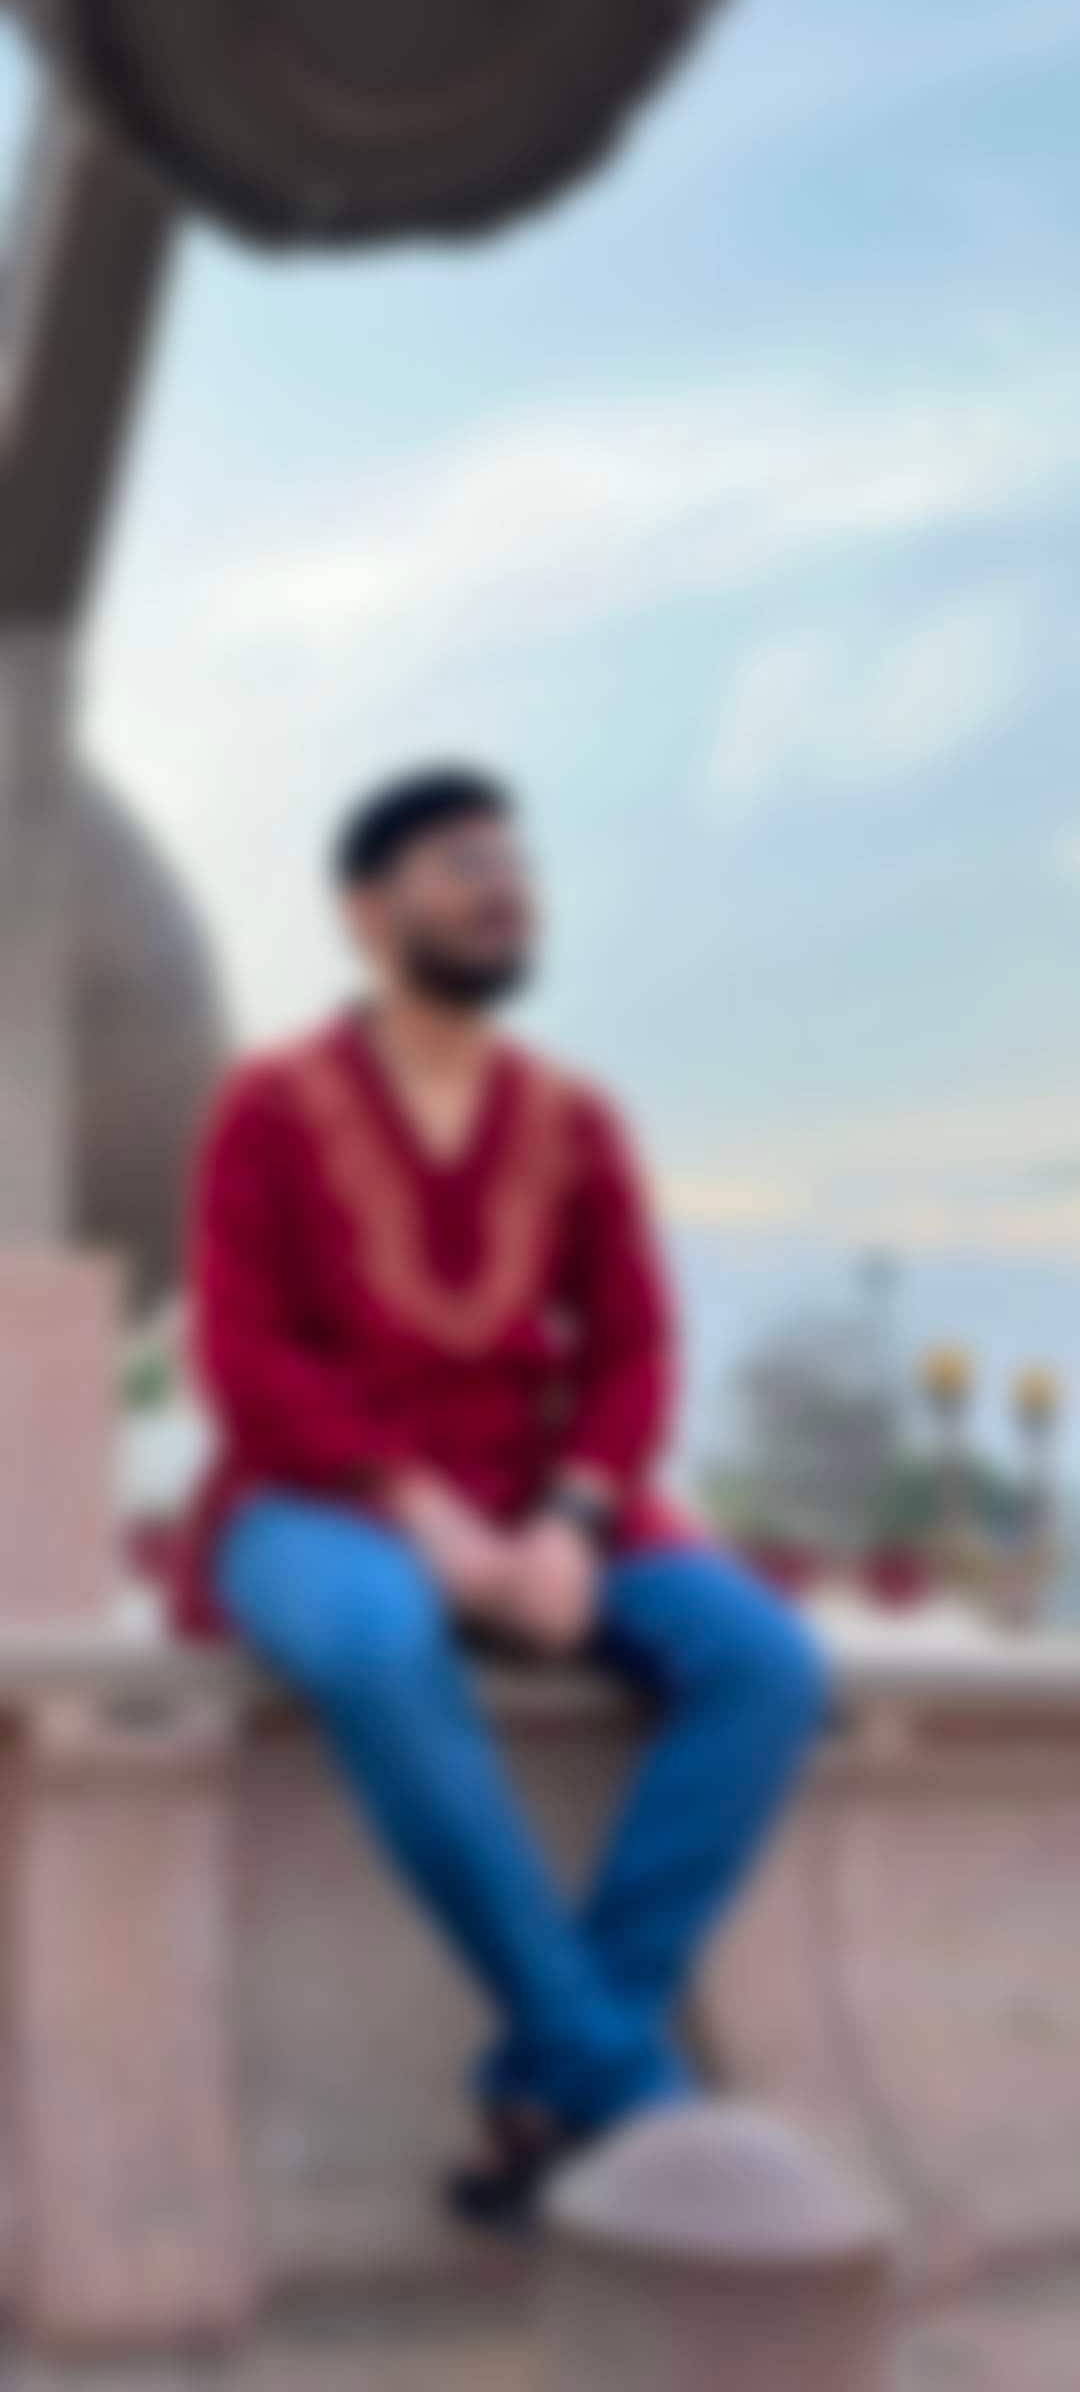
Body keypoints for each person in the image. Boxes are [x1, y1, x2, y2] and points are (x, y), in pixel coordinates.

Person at [183, 765, 827, 2224]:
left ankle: (543, 2080)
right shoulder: (268, 1106)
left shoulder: (575, 1119)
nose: (504, 888)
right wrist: (419, 1513)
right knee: (374, 1643)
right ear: (367, 912)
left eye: (514, 864)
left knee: (765, 1664)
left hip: (542, 1495)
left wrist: (578, 1519)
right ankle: (632, 2091)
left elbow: (635, 1345)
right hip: (317, 1497)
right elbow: (246, 1355)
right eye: (462, 863)